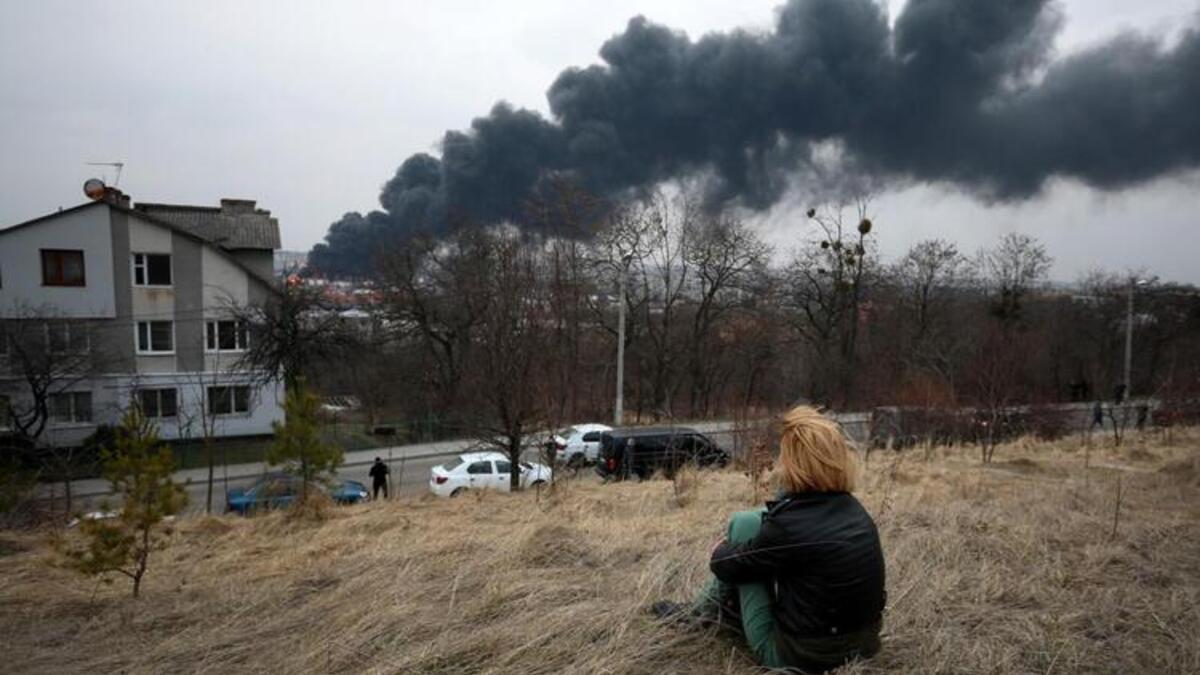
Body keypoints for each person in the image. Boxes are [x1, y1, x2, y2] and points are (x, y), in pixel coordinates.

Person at [652, 406, 886, 673]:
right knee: (751, 523)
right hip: (864, 647)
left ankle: (698, 614)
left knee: (742, 529)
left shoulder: (787, 529)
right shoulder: (856, 511)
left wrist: (721, 552)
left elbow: (728, 566)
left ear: (795, 463)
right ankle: (703, 610)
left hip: (802, 656)